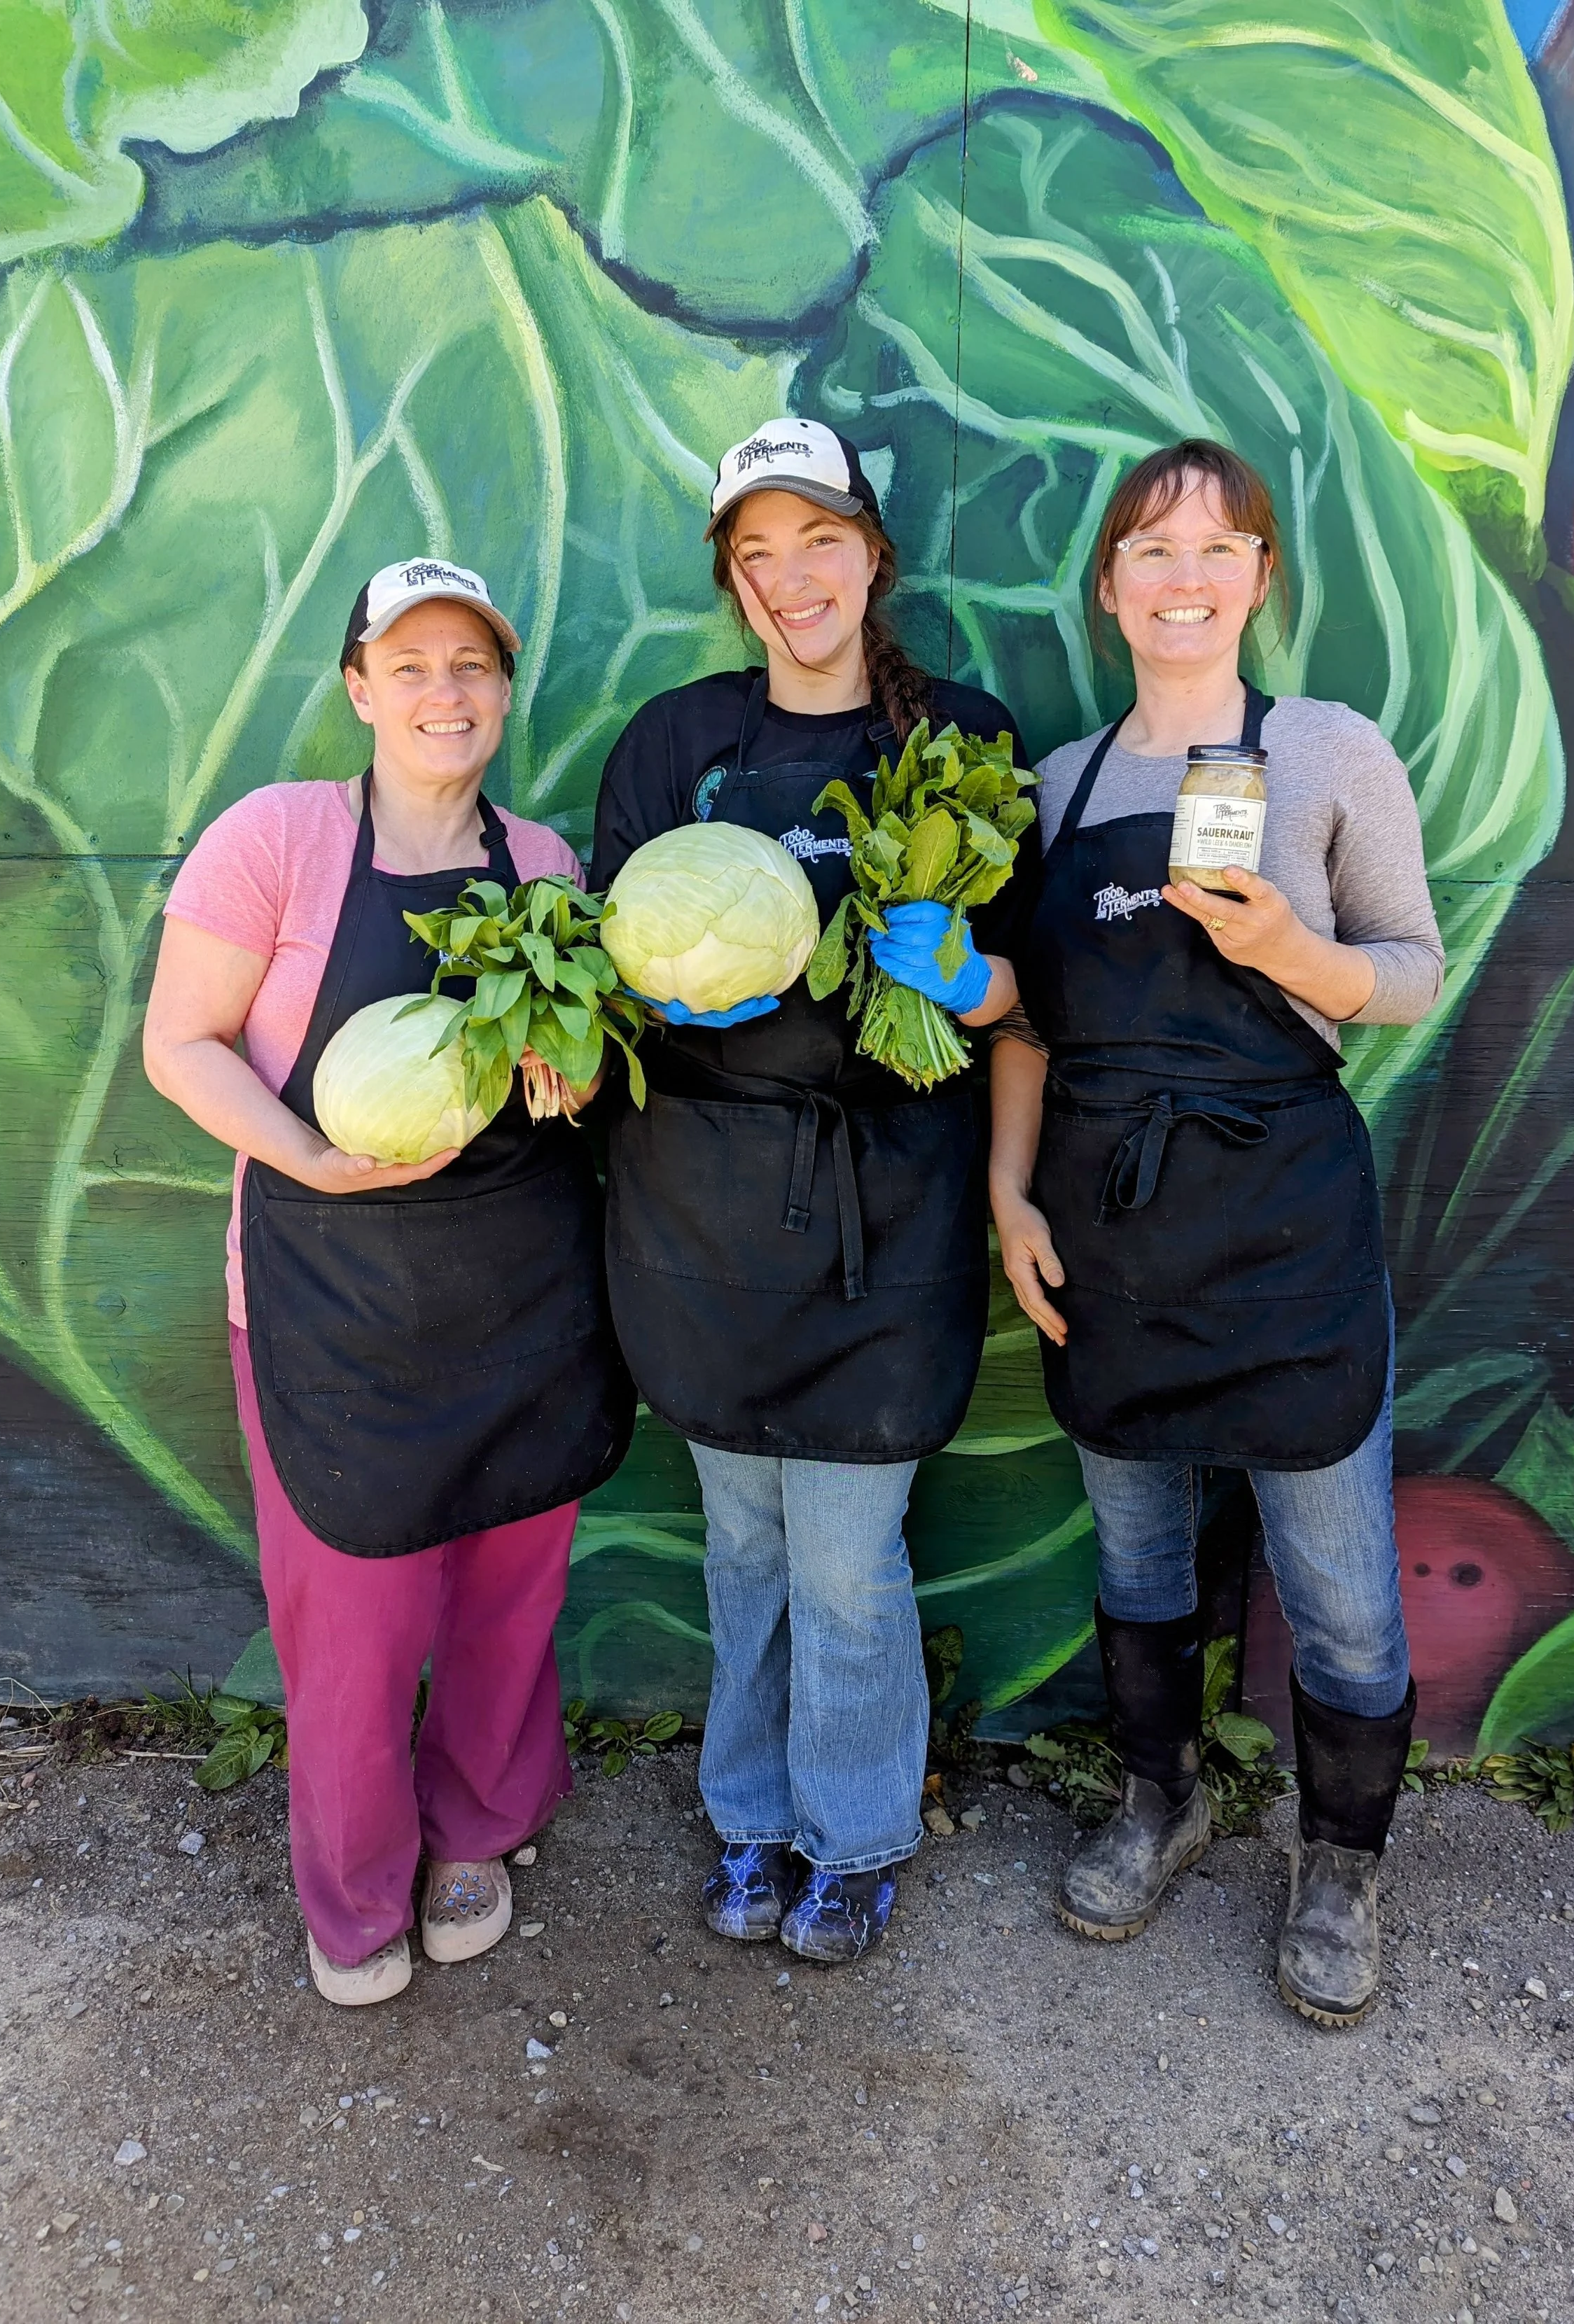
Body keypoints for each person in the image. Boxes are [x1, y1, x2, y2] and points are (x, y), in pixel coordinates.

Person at [989, 440, 1443, 2025]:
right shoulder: (1059, 786)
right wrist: (1006, 1193)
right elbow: (1032, 1022)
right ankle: (1158, 1796)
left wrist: (1295, 954)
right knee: (1135, 1549)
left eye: (1215, 547)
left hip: (1283, 1233)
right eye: (1148, 548)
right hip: (1108, 1230)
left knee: (1339, 1588)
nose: (1182, 576)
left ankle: (1339, 1860)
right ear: (1107, 585)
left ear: (1258, 578)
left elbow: (1410, 970)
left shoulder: (1322, 752)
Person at [144, 557, 634, 2007]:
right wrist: (306, 1151)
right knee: (349, 1626)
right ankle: (353, 1894)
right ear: (359, 688)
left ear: (501, 692)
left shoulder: (543, 867)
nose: (444, 691)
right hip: (324, 1295)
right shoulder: (278, 842)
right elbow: (182, 1046)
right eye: (410, 664)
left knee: (504, 1595)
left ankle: (478, 1830)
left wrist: (575, 1071)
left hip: (522, 1295)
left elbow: (586, 1092)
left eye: (470, 666)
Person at [592, 420, 1031, 1963]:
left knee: (848, 1561)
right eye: (756, 554)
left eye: (819, 543)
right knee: (744, 1551)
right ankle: (749, 1819)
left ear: (872, 555)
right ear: (732, 576)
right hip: (699, 1215)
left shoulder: (957, 744)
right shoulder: (675, 742)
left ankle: (853, 1836)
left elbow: (1024, 999)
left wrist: (971, 982)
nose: (791, 581)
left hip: (883, 1216)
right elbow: (606, 964)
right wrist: (662, 1005)